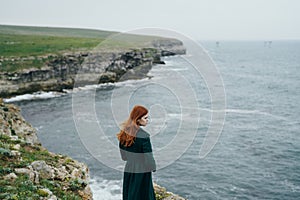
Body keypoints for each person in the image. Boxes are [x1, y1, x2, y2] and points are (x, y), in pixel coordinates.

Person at [117, 105, 156, 200]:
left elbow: (124, 157)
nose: (147, 120)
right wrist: (153, 167)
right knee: (144, 195)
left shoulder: (124, 133)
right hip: (142, 170)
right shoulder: (144, 136)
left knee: (130, 193)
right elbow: (149, 158)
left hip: (129, 168)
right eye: (145, 118)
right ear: (138, 119)